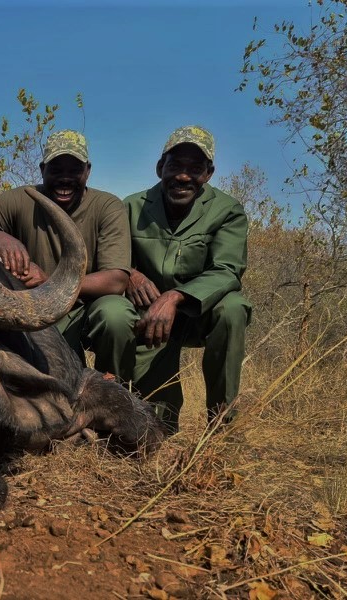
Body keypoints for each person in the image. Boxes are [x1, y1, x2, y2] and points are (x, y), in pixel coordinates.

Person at [0, 130, 135, 378]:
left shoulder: (107, 206)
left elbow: (116, 280)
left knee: (115, 314)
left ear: (87, 171)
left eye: (74, 170)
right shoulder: (21, 199)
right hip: (39, 310)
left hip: (89, 308)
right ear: (43, 170)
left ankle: (117, 389)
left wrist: (51, 283)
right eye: (56, 170)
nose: (65, 179)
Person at [123, 125, 251, 433]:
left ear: (208, 174)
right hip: (148, 313)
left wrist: (175, 297)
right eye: (175, 165)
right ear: (160, 168)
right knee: (155, 429)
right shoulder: (130, 207)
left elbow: (227, 269)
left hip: (198, 313)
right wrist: (130, 273)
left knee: (232, 309)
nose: (183, 176)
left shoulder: (228, 211)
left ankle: (222, 429)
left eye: (195, 168)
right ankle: (151, 428)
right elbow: (112, 259)